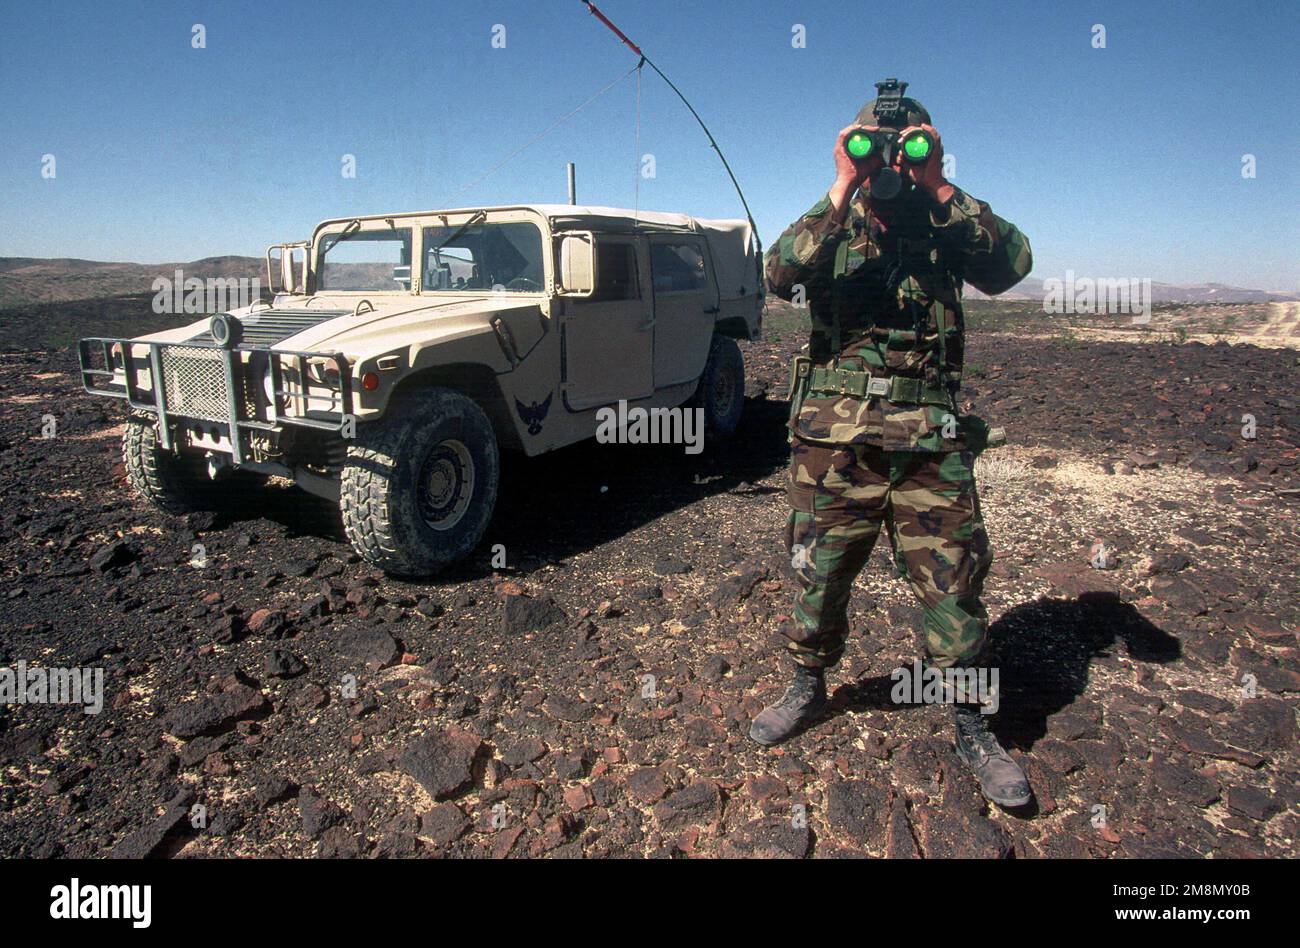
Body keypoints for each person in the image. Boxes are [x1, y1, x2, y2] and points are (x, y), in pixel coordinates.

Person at [752, 79, 1034, 808]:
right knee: (819, 571)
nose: (889, 158)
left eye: (907, 147)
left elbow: (1011, 267)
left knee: (955, 586)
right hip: (834, 444)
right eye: (872, 146)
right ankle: (807, 685)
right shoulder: (835, 223)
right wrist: (841, 185)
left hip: (929, 445)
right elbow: (777, 274)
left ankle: (973, 722)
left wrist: (938, 182)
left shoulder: (946, 222)